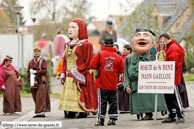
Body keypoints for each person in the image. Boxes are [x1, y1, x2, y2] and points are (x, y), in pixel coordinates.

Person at [124, 29, 167, 120]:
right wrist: (126, 85)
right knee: (140, 100)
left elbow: (163, 71)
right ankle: (144, 112)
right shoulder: (129, 58)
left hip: (151, 84)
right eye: (138, 35)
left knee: (152, 98)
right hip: (136, 85)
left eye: (145, 35)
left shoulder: (156, 56)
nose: (142, 38)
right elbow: (126, 73)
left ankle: (156, 111)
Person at [59, 18, 98, 118]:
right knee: (69, 95)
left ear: (81, 29)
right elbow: (65, 61)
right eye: (69, 27)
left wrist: (77, 71)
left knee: (79, 94)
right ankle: (70, 111)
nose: (70, 30)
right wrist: (63, 72)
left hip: (80, 75)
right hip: (69, 75)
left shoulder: (86, 44)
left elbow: (87, 62)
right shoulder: (67, 44)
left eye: (73, 27)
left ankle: (81, 110)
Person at [91, 37, 124, 126]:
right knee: (113, 101)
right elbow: (121, 70)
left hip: (102, 83)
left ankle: (100, 120)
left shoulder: (99, 55)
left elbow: (92, 65)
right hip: (113, 83)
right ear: (113, 45)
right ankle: (112, 120)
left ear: (104, 44)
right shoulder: (118, 56)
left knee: (102, 102)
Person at [159, 33, 185, 123]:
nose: (161, 44)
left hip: (172, 77)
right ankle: (172, 114)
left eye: (161, 42)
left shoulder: (173, 48)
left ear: (165, 39)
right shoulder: (170, 47)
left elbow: (173, 63)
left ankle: (180, 115)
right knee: (169, 97)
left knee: (175, 97)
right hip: (168, 77)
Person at [27, 46, 51, 118]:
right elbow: (28, 71)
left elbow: (45, 71)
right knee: (35, 97)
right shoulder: (31, 61)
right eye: (35, 51)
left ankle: (41, 112)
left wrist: (36, 71)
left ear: (40, 52)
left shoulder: (42, 61)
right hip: (33, 82)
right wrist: (29, 79)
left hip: (41, 82)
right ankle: (39, 111)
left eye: (37, 51)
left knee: (41, 97)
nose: (36, 53)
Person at [118, 44, 132, 113]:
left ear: (129, 50)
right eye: (123, 50)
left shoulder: (131, 57)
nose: (123, 51)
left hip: (128, 76)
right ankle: (122, 108)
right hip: (122, 76)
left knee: (127, 94)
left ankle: (128, 108)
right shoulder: (121, 57)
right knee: (122, 93)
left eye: (124, 50)